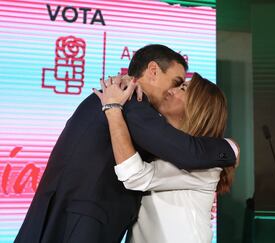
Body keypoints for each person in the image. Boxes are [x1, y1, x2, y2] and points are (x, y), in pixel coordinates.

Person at [15, 44, 237, 243]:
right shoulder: (129, 101)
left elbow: (185, 152)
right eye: (177, 82)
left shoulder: (125, 102)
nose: (172, 90)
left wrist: (230, 149)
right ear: (152, 71)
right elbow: (178, 156)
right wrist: (229, 151)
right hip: (81, 222)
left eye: (180, 87)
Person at [94, 72, 239, 243]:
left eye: (182, 88)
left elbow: (133, 175)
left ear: (198, 107)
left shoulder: (205, 163)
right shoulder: (157, 148)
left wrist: (112, 109)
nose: (171, 90)